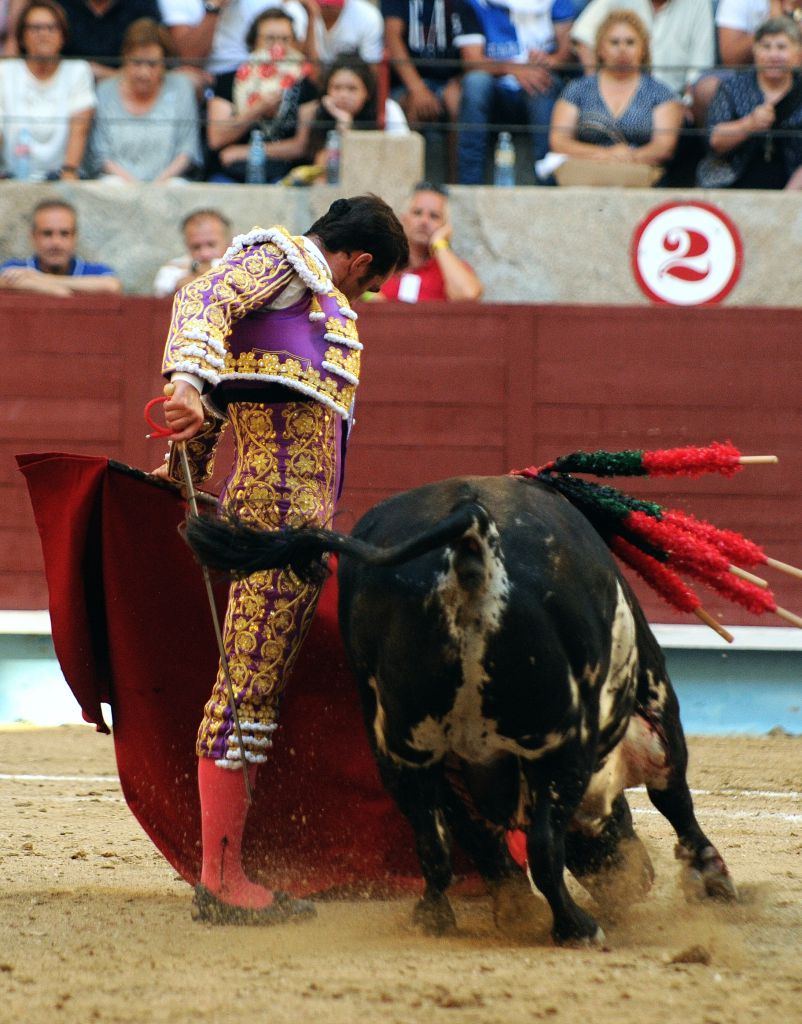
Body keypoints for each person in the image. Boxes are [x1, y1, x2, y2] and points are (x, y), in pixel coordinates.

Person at [154, 194, 408, 924]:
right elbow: (202, 295)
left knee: (255, 690)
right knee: (244, 693)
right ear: (359, 259)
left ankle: (227, 870)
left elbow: (228, 396)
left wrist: (190, 459)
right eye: (371, 280)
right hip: (273, 525)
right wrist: (185, 383)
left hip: (294, 529)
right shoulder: (284, 263)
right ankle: (224, 882)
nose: (366, 295)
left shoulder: (306, 301)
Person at [452, 0, 575, 184]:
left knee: (541, 84)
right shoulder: (472, 3)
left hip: (539, 84)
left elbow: (566, 52)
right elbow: (472, 61)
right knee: (475, 82)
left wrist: (547, 61)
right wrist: (515, 69)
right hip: (495, 90)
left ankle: (547, 184)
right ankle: (469, 184)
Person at [549, 10, 682, 175]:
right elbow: (559, 141)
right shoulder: (577, 90)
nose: (622, 49)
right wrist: (605, 155)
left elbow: (664, 147)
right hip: (585, 175)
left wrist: (630, 158)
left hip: (641, 177)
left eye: (630, 42)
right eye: (614, 42)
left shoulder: (661, 93)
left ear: (643, 50)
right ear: (600, 49)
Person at [206, 7, 318, 183]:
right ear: (253, 42)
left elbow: (302, 145)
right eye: (270, 39)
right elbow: (216, 138)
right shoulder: (229, 81)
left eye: (284, 39)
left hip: (284, 175)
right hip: (231, 174)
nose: (277, 47)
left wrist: (245, 152)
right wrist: (257, 108)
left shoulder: (305, 84)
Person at [85, 18, 202, 183]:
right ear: (125, 58)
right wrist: (133, 185)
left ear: (164, 63)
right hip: (118, 181)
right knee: (110, 184)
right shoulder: (105, 91)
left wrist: (157, 185)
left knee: (177, 186)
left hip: (168, 180)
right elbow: (100, 154)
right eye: (137, 63)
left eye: (152, 64)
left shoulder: (181, 87)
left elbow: (187, 150)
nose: (144, 73)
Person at [698, 16, 802, 188]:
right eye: (766, 47)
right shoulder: (732, 88)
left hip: (793, 183)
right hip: (733, 180)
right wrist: (749, 124)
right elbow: (715, 140)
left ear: (798, 54)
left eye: (781, 47)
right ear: (755, 51)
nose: (773, 55)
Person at [0, 0, 95, 181]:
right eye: (35, 28)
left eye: (51, 28)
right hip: (11, 177)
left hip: (62, 177)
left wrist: (69, 172)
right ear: (21, 36)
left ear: (63, 35)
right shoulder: (5, 72)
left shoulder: (78, 71)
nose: (43, 34)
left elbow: (80, 128)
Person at [570, 0, 714, 99]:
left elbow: (699, 70)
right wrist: (597, 88)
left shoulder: (699, 3)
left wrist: (685, 103)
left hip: (674, 101)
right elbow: (583, 35)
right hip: (617, 95)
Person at [158, 0, 320, 77]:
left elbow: (297, 58)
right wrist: (215, 6)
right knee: (186, 78)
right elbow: (189, 57)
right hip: (214, 79)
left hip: (264, 74)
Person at [378, 181, 483, 301]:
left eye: (434, 216)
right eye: (417, 213)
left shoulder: (450, 269)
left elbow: (468, 295)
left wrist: (439, 243)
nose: (424, 221)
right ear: (403, 219)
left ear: (445, 226)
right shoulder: (382, 263)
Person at [0, 199, 121, 295]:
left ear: (74, 237)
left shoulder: (94, 271)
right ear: (33, 237)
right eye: (47, 234)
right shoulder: (16, 267)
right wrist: (55, 290)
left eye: (64, 234)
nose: (56, 243)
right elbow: (3, 281)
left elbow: (111, 286)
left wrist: (39, 278)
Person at [52, 0, 164, 81]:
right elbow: (46, 56)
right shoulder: (61, 5)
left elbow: (152, 55)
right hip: (66, 86)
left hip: (129, 86)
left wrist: (107, 75)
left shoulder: (142, 5)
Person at [152, 208, 231, 297]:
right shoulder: (172, 269)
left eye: (211, 245)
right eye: (196, 247)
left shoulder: (241, 263)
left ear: (228, 242)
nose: (204, 253)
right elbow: (163, 290)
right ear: (187, 244)